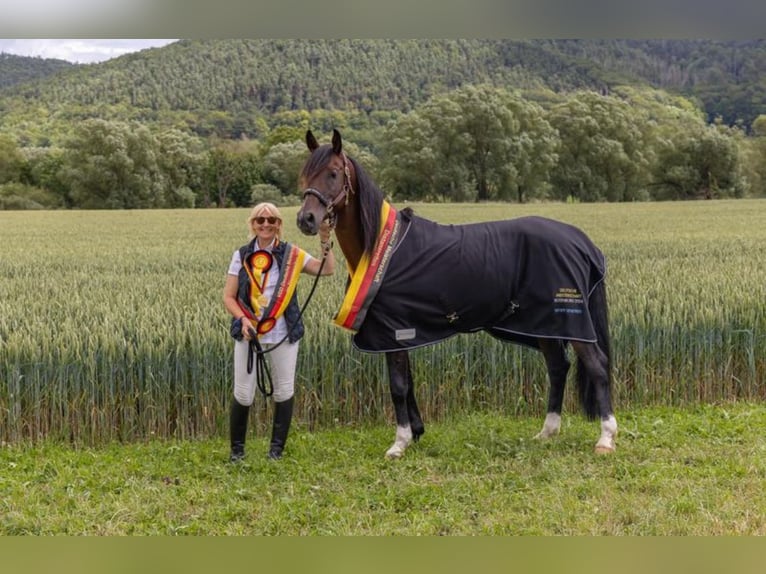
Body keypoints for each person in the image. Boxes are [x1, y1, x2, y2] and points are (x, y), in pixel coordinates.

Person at [223, 202, 335, 462]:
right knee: (243, 393)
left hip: (283, 334)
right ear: (252, 224)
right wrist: (243, 320)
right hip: (249, 334)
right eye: (260, 220)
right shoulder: (240, 255)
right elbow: (228, 297)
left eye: (271, 220)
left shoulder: (293, 255)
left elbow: (326, 269)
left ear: (279, 225)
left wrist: (325, 237)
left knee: (284, 390)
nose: (266, 224)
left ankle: (276, 453)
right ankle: (237, 453)